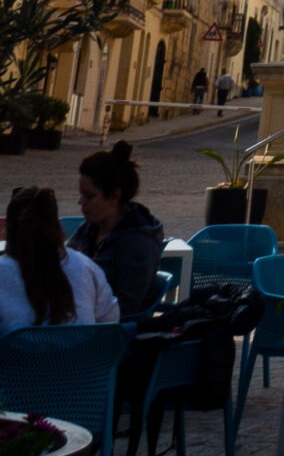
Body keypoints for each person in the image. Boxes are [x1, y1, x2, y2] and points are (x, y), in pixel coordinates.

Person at [0, 185, 118, 335]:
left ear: (8, 227)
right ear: (56, 224)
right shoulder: (86, 267)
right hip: (82, 357)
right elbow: (110, 320)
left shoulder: (3, 271)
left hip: (17, 358)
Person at [72, 140, 166, 317]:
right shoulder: (88, 229)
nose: (81, 202)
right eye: (81, 194)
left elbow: (127, 307)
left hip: (111, 333)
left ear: (114, 196)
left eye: (89, 196)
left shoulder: (138, 243)